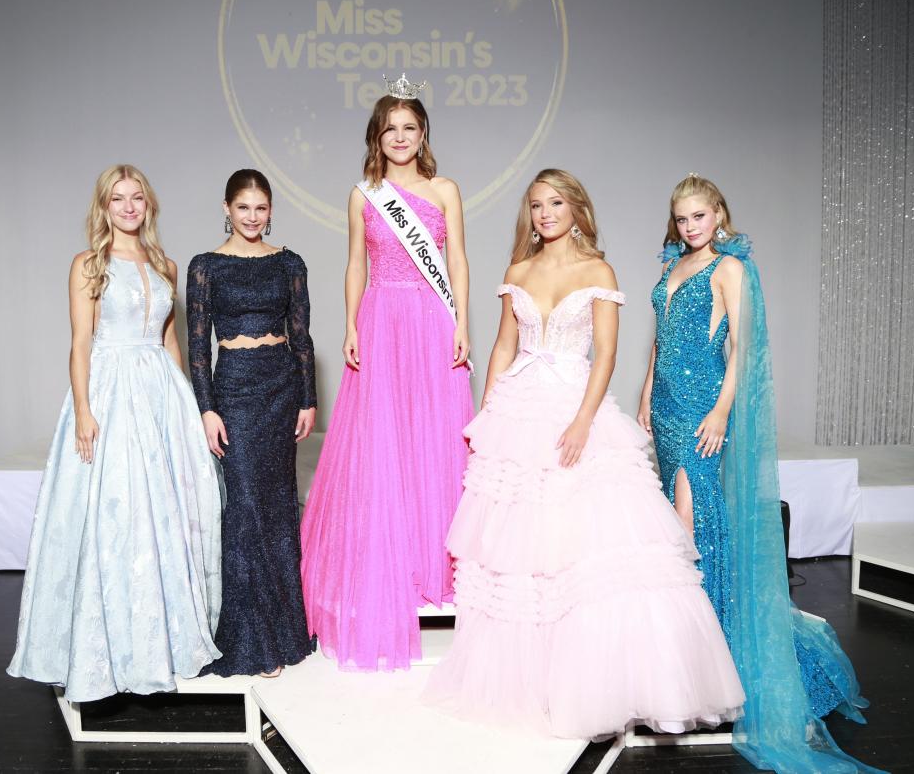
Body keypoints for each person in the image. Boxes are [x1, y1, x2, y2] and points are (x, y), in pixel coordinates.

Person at [423, 169, 745, 738]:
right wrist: (486, 416)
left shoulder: (598, 271)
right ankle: (528, 680)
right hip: (517, 413)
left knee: (586, 550)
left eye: (555, 203)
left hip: (576, 410)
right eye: (536, 205)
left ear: (576, 209)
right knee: (518, 552)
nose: (545, 213)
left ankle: (600, 681)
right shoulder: (517, 271)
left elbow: (606, 356)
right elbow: (502, 346)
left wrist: (581, 421)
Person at [638, 173, 877, 771]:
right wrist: (643, 396)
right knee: (675, 529)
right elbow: (659, 345)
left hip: (701, 412)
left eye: (699, 215)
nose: (690, 226)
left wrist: (721, 409)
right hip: (665, 410)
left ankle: (711, 659)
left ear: (718, 212)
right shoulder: (670, 268)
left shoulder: (730, 270)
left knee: (696, 532)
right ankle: (687, 660)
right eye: (682, 217)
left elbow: (744, 350)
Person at [8, 164, 223, 702]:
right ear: (103, 207)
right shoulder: (89, 265)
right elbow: (80, 343)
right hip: (110, 391)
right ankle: (109, 647)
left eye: (137, 199)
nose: (129, 207)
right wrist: (83, 410)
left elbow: (170, 342)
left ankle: (166, 641)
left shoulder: (165, 265)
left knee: (165, 514)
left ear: (148, 205)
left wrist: (190, 405)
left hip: (161, 396)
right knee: (117, 513)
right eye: (118, 199)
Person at [301, 77, 474, 671]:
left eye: (410, 128)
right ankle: (390, 567)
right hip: (380, 318)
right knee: (383, 443)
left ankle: (438, 570)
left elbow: (456, 261)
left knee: (436, 437)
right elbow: (355, 262)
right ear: (377, 136)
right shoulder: (364, 195)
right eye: (389, 129)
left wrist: (462, 322)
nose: (400, 138)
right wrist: (350, 324)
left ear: (422, 134)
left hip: (430, 319)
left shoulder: (446, 189)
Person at [187, 169, 317, 678]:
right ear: (226, 208)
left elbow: (302, 334)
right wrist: (206, 407)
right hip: (234, 388)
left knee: (277, 504)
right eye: (244, 207)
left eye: (261, 208)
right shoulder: (205, 267)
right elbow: (198, 347)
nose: (252, 217)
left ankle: (283, 628)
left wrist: (308, 398)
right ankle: (251, 638)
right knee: (243, 507)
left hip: (281, 387)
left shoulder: (289, 263)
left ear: (270, 210)